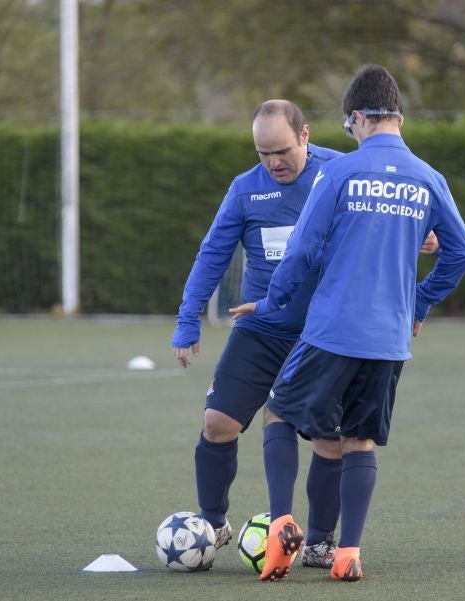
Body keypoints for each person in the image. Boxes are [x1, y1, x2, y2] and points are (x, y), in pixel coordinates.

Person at [230, 64, 465, 582]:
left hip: (332, 330)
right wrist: (420, 302)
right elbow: (462, 251)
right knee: (358, 440)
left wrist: (273, 302)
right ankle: (348, 553)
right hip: (388, 339)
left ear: (358, 118)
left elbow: (301, 250)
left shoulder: (337, 173)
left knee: (278, 414)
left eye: (350, 126)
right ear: (400, 119)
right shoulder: (429, 178)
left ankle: (282, 526)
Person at [171, 99, 345, 569]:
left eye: (282, 150)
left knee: (330, 441)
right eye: (263, 153)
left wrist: (426, 237)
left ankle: (323, 539)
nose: (274, 163)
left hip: (324, 336)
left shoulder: (342, 173)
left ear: (305, 135)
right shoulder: (246, 189)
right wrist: (188, 319)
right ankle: (212, 524)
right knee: (217, 423)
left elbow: (384, 226)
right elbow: (212, 255)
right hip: (262, 329)